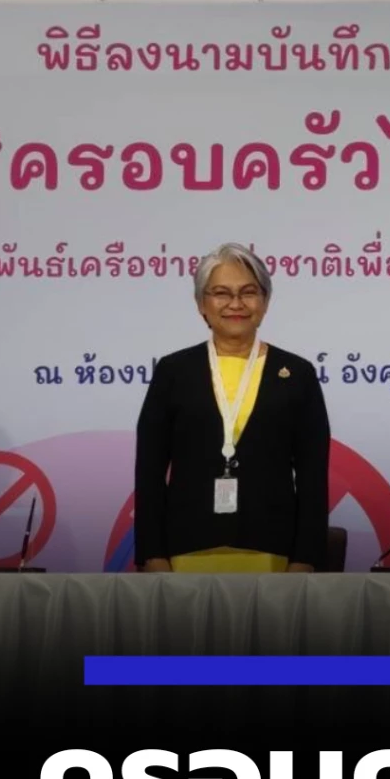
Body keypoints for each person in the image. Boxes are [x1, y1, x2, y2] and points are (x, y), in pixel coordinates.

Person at [134, 244, 331, 573]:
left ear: (265, 302)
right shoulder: (173, 372)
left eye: (248, 292)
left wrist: (306, 558)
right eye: (221, 293)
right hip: (185, 548)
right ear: (201, 303)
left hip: (274, 551)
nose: (236, 304)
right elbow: (149, 472)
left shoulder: (297, 374)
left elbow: (313, 477)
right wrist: (152, 553)